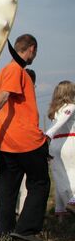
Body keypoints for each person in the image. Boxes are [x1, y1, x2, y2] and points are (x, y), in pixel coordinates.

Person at [0, 34, 50, 241]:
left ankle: (5, 235)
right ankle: (26, 230)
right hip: (25, 140)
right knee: (40, 183)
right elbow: (4, 96)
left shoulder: (5, 71)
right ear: (31, 49)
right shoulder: (16, 70)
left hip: (5, 141)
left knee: (7, 191)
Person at [44, 80, 75, 220]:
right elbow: (61, 122)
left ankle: (61, 210)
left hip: (54, 145)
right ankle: (73, 200)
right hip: (69, 142)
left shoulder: (54, 110)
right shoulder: (71, 107)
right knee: (71, 172)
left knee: (59, 176)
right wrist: (47, 135)